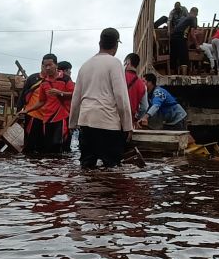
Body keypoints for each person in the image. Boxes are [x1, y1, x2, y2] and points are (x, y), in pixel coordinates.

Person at [70, 28, 134, 168]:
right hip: (107, 125)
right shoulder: (115, 63)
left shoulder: (85, 66)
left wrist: (72, 123)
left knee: (87, 169)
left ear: (100, 43)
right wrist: (128, 126)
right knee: (112, 170)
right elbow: (121, 97)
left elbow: (76, 98)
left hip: (86, 124)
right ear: (116, 46)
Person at [18, 54, 65, 154]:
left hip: (48, 118)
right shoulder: (33, 78)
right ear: (42, 66)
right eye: (44, 66)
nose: (47, 68)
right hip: (33, 116)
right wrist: (20, 110)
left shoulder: (59, 80)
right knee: (30, 145)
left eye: (49, 66)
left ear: (55, 66)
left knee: (45, 147)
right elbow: (23, 95)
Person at [53, 60, 76, 152]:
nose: (70, 73)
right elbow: (73, 93)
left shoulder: (49, 78)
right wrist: (61, 93)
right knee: (65, 137)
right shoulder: (66, 79)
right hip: (65, 112)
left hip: (51, 113)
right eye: (69, 70)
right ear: (66, 71)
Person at [169, 6, 199, 74]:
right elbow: (192, 33)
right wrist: (197, 45)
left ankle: (171, 76)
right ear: (196, 13)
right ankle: (184, 78)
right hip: (181, 38)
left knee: (173, 58)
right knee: (184, 58)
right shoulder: (193, 18)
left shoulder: (183, 18)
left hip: (173, 37)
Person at [123, 52, 148, 121]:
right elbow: (144, 107)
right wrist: (136, 118)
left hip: (114, 119)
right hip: (130, 120)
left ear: (128, 62)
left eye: (124, 62)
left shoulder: (119, 77)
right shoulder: (143, 85)